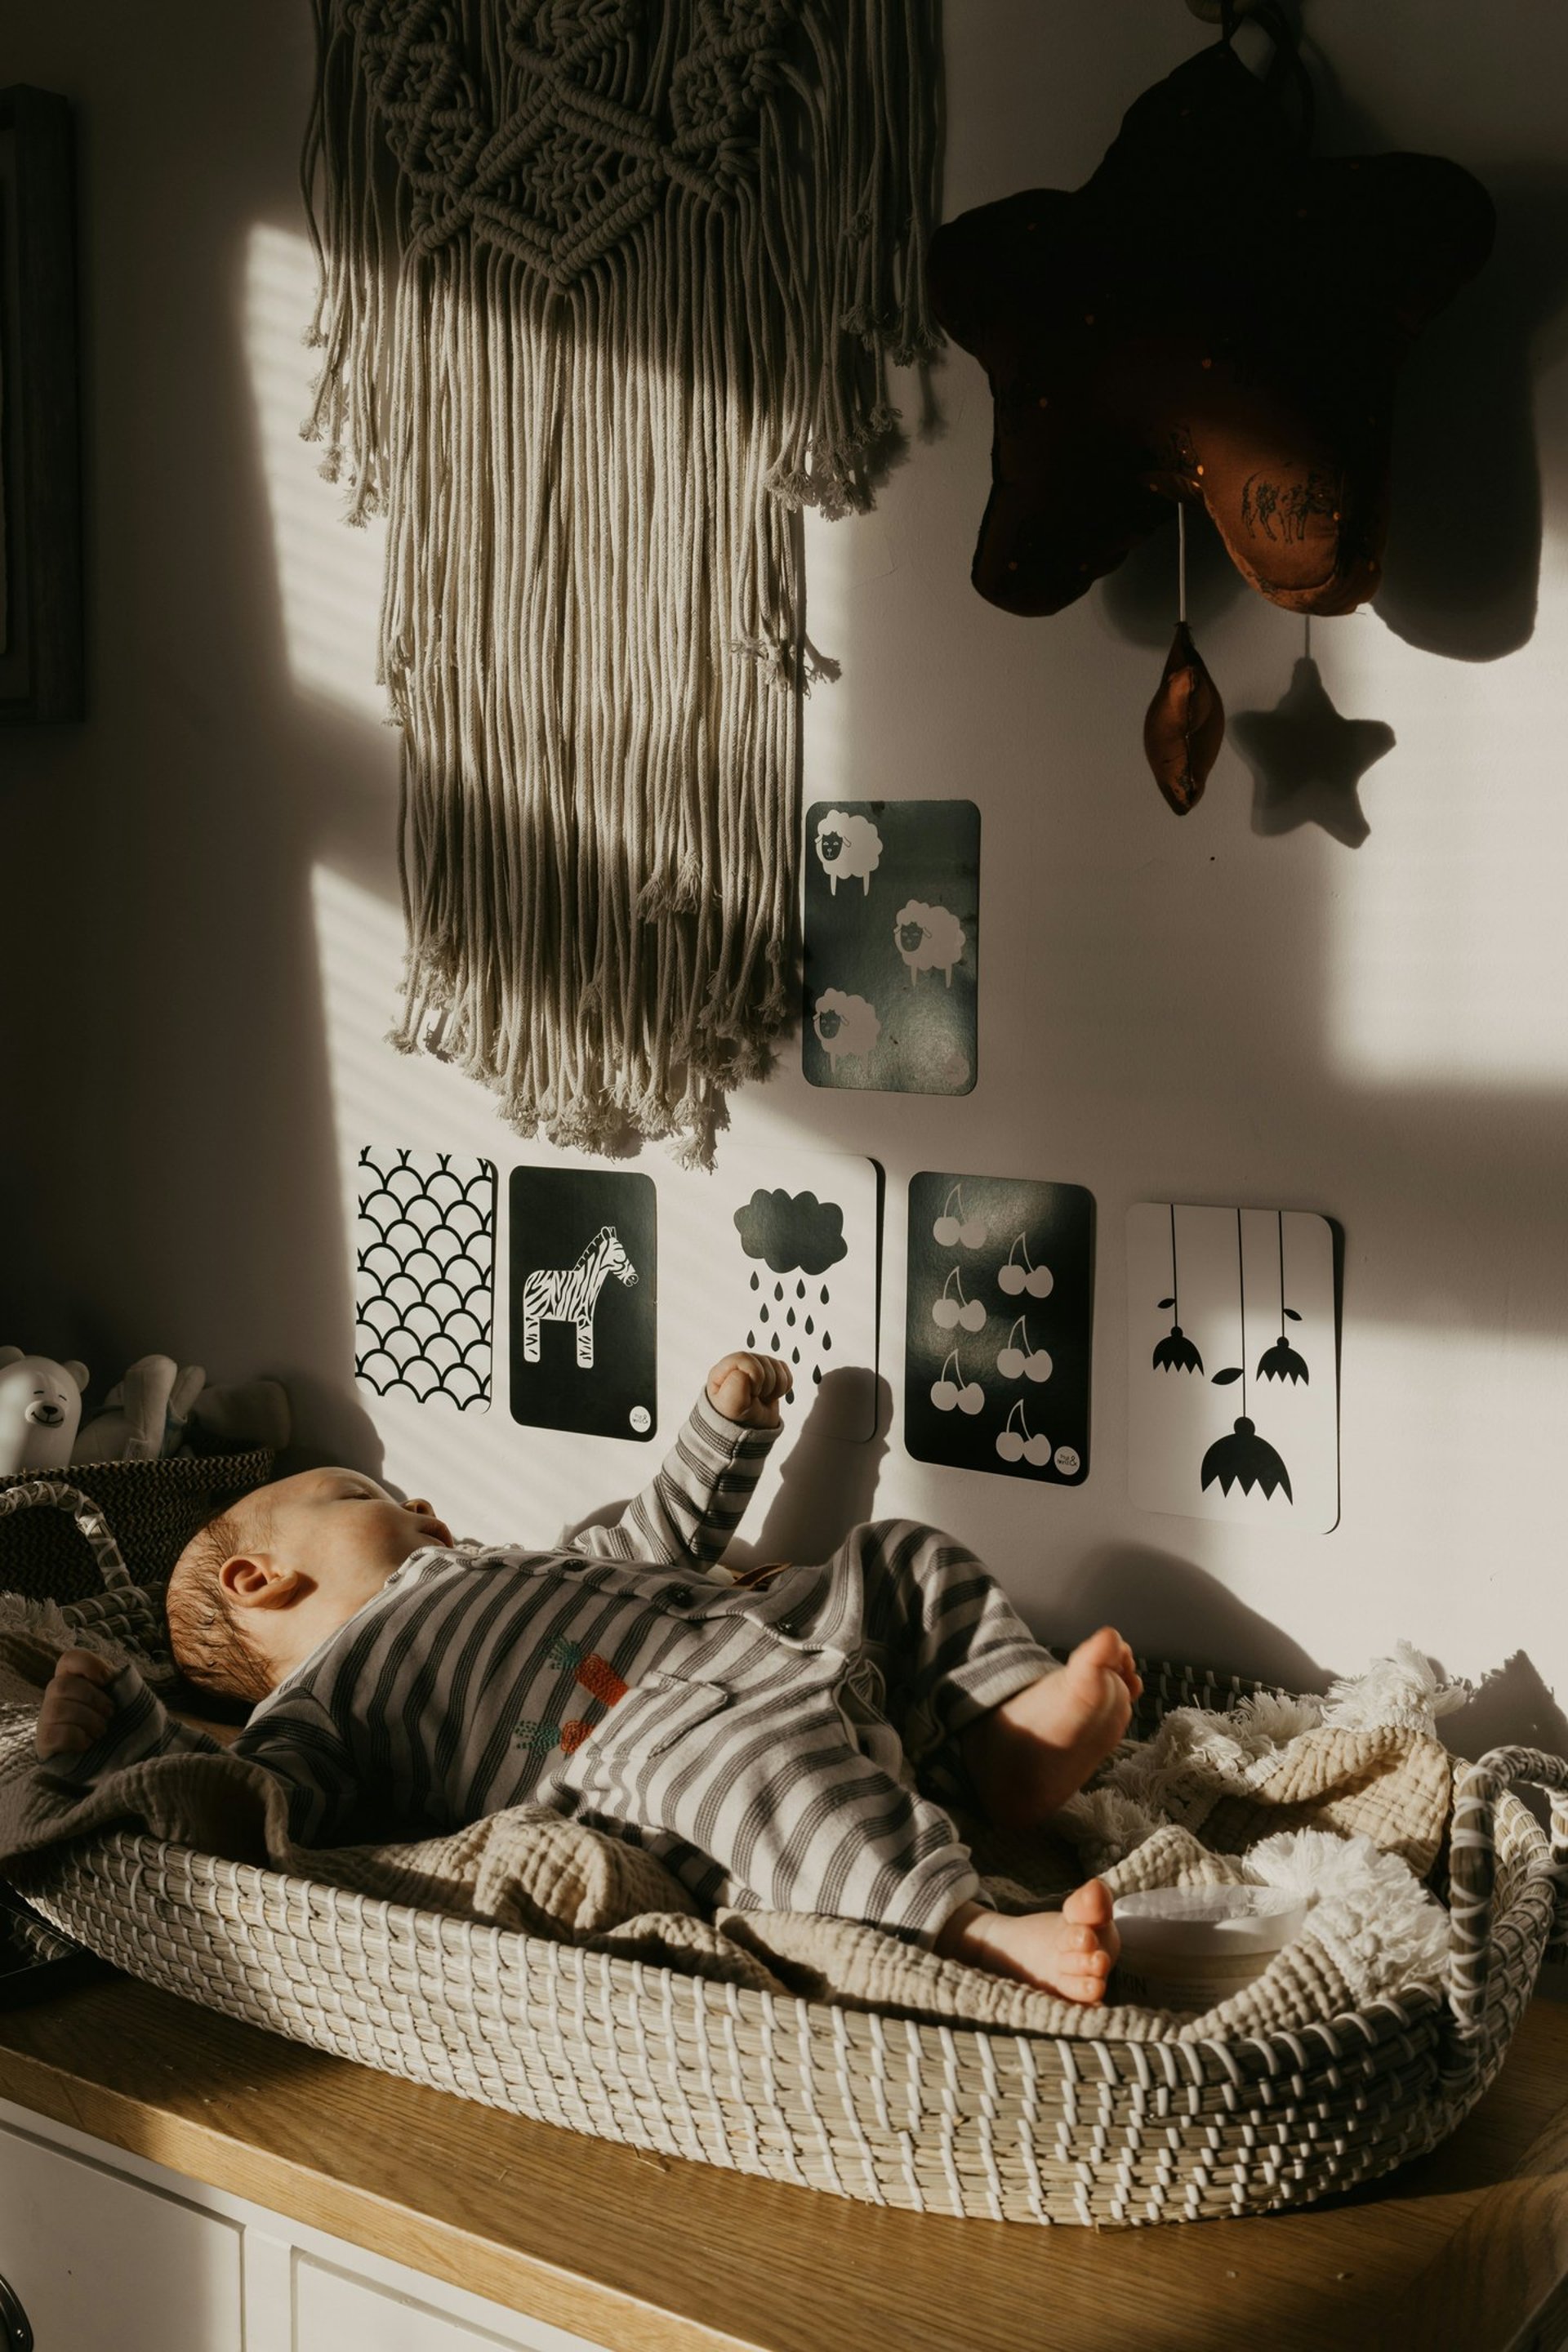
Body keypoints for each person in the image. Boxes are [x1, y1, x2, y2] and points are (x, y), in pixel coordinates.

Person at [35, 1352, 1140, 2004]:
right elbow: (252, 1810)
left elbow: (653, 1537)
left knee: (900, 1556)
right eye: (367, 1495)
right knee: (769, 1778)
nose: (424, 1509)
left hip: (786, 1628)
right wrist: (131, 1738)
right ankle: (973, 1931)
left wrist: (724, 1433)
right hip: (661, 1738)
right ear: (261, 1577)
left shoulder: (505, 1562)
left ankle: (1005, 1738)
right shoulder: (323, 1701)